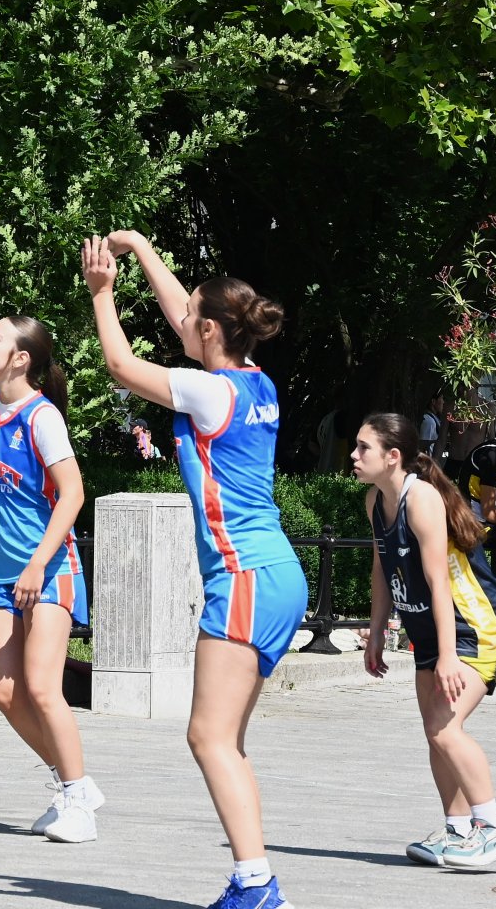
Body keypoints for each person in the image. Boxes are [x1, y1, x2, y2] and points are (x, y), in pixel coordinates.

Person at [83, 232, 304, 908]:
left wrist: (103, 294)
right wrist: (143, 248)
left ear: (211, 331)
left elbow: (121, 364)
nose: (180, 321)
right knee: (225, 740)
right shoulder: (253, 381)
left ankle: (257, 885)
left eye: (190, 320)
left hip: (242, 578)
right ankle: (253, 879)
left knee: (207, 736)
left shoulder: (208, 393)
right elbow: (190, 310)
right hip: (276, 574)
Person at [356, 412, 496, 870]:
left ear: (393, 456)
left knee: (444, 729)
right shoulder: (375, 500)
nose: (354, 454)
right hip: (429, 631)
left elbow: (440, 581)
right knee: (436, 734)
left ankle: (493, 830)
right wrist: (378, 632)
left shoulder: (420, 498)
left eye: (363, 447)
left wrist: (448, 655)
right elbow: (381, 571)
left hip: (470, 629)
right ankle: (459, 832)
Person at [0, 315, 96, 844]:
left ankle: (79, 802)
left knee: (43, 686)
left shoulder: (42, 418)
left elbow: (72, 493)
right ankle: (73, 785)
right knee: (3, 691)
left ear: (21, 358)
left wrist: (38, 562)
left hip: (47, 568)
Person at [419, 392, 447, 461]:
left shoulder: (434, 418)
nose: (443, 402)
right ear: (433, 401)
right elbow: (423, 445)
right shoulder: (429, 421)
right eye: (441, 398)